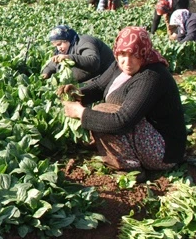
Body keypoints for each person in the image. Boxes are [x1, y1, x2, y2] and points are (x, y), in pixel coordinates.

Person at [59, 27, 187, 178]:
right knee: (101, 113)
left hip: (163, 150)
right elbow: (100, 86)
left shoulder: (151, 76)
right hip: (144, 132)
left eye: (134, 55)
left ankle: (130, 168)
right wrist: (78, 94)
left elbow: (122, 121)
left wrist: (81, 113)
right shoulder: (118, 65)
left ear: (144, 53)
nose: (127, 61)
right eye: (122, 54)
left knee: (102, 113)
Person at [41, 25, 115, 83]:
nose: (59, 48)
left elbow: (94, 62)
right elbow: (52, 65)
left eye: (60, 44)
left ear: (68, 39)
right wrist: (46, 73)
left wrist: (69, 57)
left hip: (105, 77)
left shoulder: (84, 42)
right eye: (56, 45)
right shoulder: (63, 50)